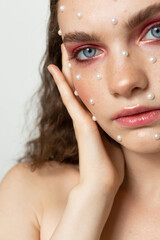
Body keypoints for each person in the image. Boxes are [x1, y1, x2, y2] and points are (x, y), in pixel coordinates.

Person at [0, 0, 160, 239]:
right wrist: (93, 194)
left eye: (156, 32)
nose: (123, 82)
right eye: (88, 52)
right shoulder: (31, 195)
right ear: (66, 71)